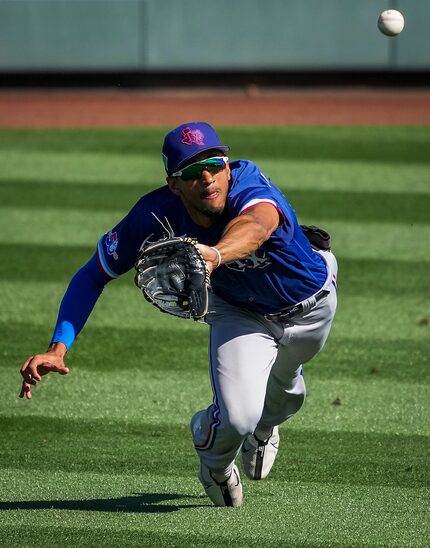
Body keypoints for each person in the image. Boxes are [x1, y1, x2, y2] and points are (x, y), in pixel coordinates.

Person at [19, 122, 338, 508]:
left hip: (313, 303)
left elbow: (256, 226)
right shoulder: (152, 216)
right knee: (237, 417)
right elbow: (92, 275)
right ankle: (215, 463)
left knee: (286, 394)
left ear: (228, 165)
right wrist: (58, 348)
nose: (207, 178)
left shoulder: (249, 181)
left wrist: (215, 255)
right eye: (191, 172)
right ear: (174, 184)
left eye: (215, 165)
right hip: (240, 312)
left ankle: (266, 429)